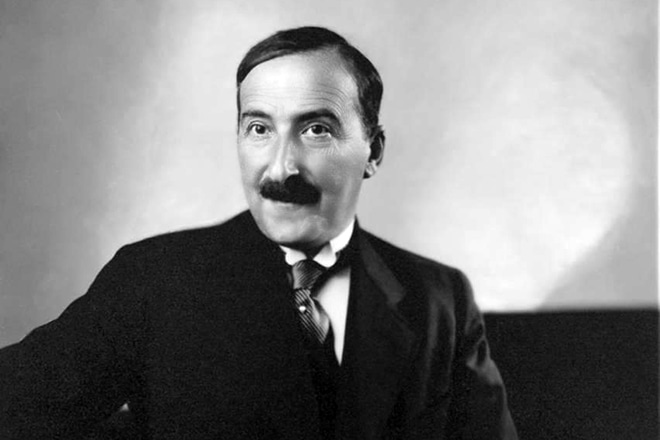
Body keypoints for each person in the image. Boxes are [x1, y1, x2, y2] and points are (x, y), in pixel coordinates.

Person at [0, 26, 517, 439]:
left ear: (373, 151)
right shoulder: (153, 282)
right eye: (259, 129)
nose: (281, 168)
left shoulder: (439, 301)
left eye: (316, 129)